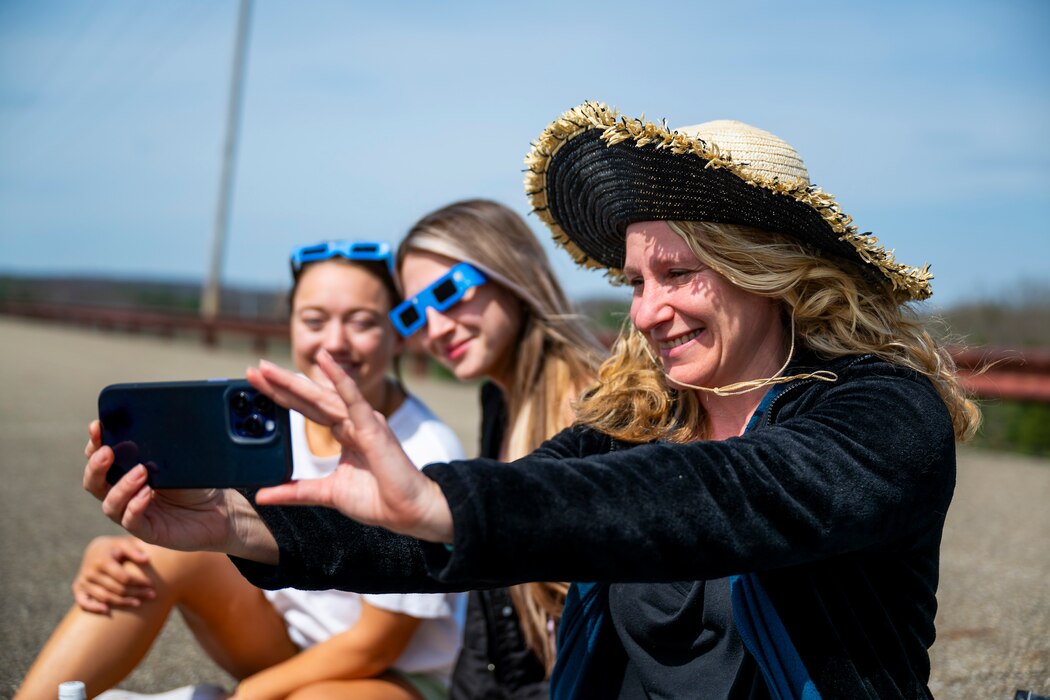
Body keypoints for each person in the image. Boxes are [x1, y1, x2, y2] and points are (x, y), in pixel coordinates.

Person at [82, 102, 981, 699]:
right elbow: (467, 537)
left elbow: (727, 495)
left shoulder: (883, 415)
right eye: (635, 280)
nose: (647, 311)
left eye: (679, 273)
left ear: (769, 268)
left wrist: (445, 499)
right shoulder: (640, 420)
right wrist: (241, 529)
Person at [17, 241, 466, 700]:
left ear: (399, 333)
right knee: (140, 563)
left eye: (363, 322)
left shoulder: (427, 449)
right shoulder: (270, 421)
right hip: (285, 641)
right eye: (314, 320)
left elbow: (377, 645)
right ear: (290, 325)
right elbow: (213, 522)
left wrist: (247, 694)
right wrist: (120, 547)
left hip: (393, 677)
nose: (335, 341)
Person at [391, 199, 606, 698]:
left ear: (510, 271)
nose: (435, 330)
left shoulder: (591, 406)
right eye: (412, 315)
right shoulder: (501, 397)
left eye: (448, 292)